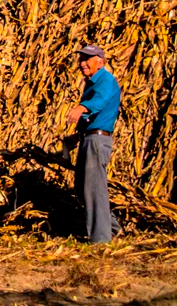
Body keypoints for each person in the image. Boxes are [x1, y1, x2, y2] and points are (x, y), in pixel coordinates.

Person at [63, 44, 119, 244]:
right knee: (83, 186)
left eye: (88, 59)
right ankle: (113, 228)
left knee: (94, 188)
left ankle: (101, 240)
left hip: (97, 140)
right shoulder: (91, 84)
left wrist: (81, 107)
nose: (83, 63)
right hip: (89, 138)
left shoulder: (105, 80)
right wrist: (76, 136)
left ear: (100, 62)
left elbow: (100, 102)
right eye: (81, 59)